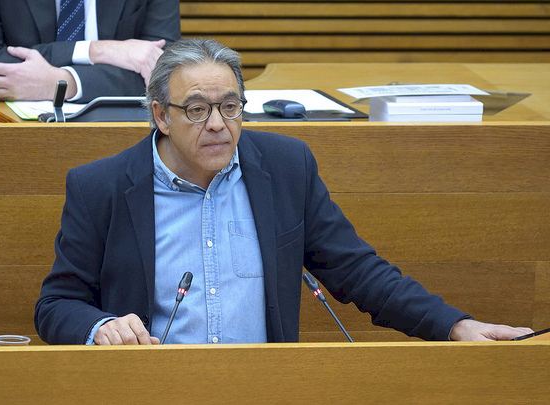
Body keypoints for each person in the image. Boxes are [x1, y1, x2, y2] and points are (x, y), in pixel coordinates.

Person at [35, 39, 533, 345]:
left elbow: (358, 272)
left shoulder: (285, 168)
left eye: (231, 107)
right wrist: (99, 327)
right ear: (161, 116)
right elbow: (57, 305)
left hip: (265, 386)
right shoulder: (101, 187)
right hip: (151, 389)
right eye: (197, 109)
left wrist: (454, 326)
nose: (218, 124)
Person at [0, 0, 180, 103]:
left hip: (121, 130)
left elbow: (164, 72)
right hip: (14, 128)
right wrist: (96, 50)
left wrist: (64, 83)